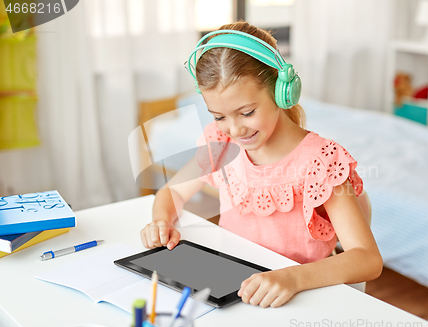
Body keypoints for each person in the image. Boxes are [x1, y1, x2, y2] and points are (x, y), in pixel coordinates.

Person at [140, 21, 383, 308]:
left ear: (282, 91)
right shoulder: (221, 144)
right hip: (233, 289)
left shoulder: (320, 161)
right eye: (219, 116)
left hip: (298, 297)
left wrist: (291, 279)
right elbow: (173, 192)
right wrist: (161, 220)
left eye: (247, 112)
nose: (234, 129)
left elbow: (367, 258)